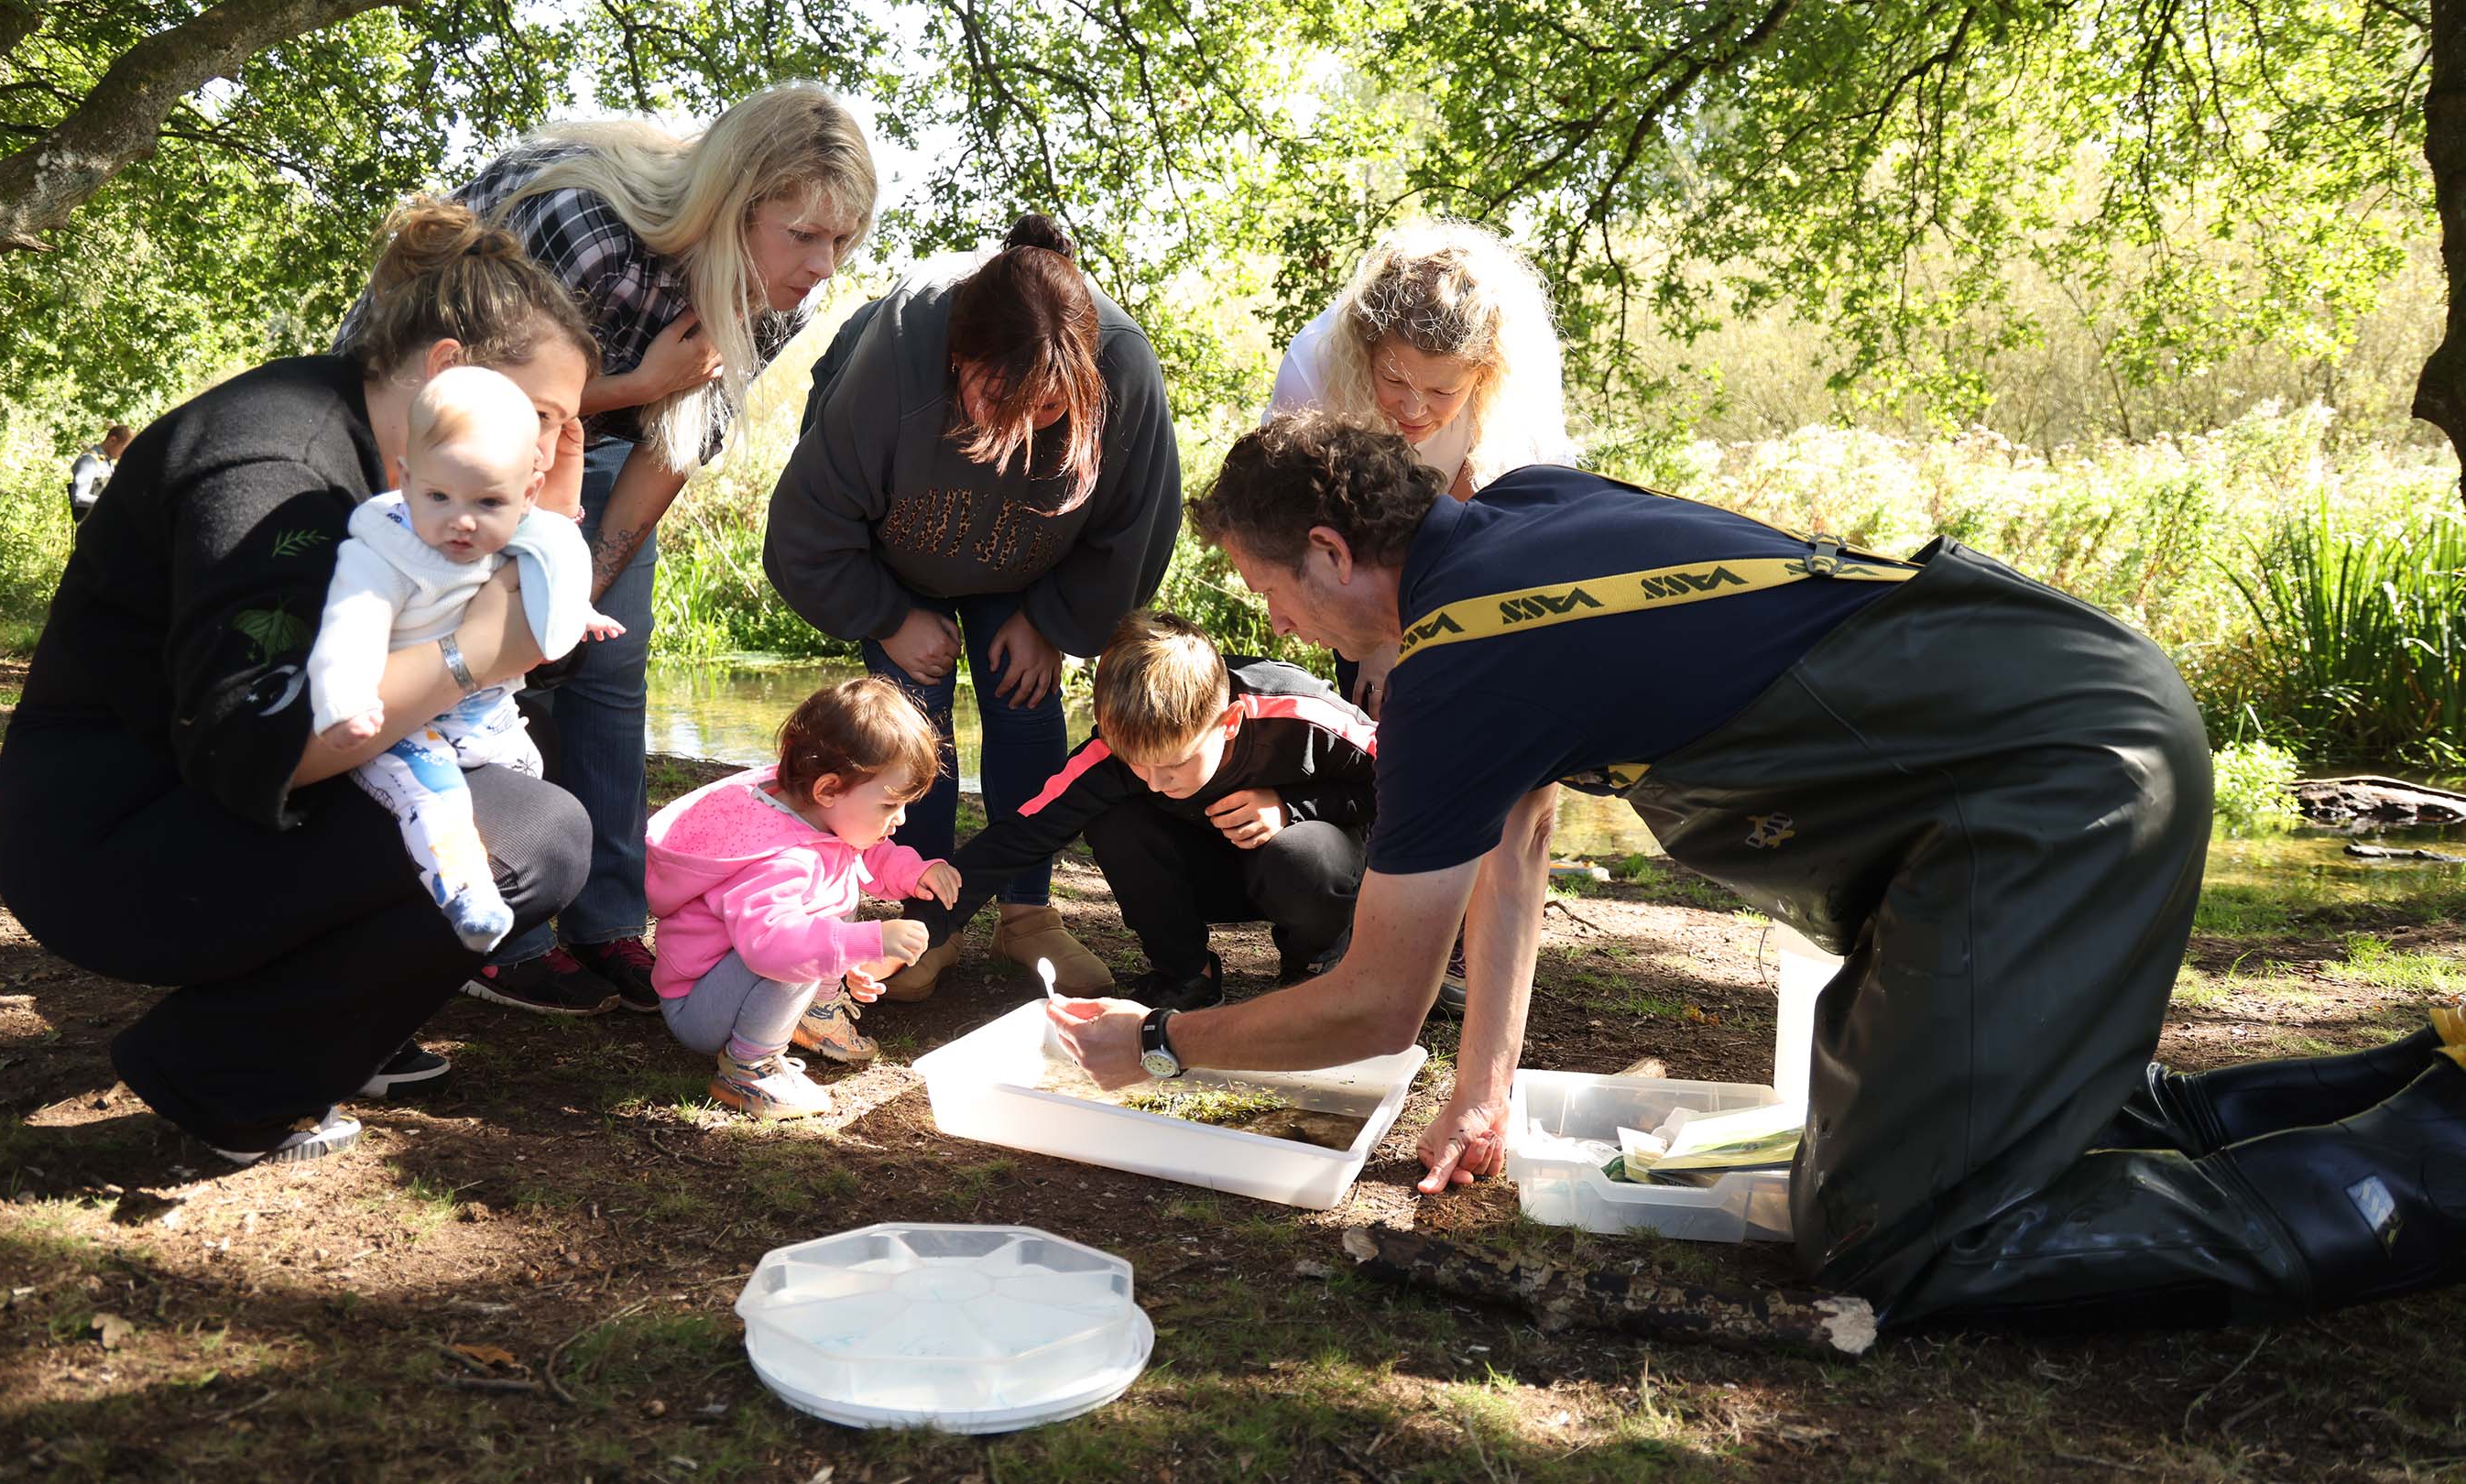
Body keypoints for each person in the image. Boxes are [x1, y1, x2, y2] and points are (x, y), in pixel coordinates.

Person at [1052, 412, 2466, 1330]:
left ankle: (2427, 1167)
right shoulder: (1518, 524)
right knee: (1971, 1116)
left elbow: (1368, 1006)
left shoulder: (1457, 660)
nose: (1278, 623)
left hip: (2047, 775)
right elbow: (1521, 836)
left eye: (1272, 591)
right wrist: (1483, 1085)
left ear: (1329, 549)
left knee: (1904, 1241)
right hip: (2059, 704)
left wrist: (1162, 1045)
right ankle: (2413, 1085)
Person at [0, 200, 600, 1164]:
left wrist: (548, 527)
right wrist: (472, 652)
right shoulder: (283, 472)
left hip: (185, 803)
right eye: (547, 422)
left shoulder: (403, 468)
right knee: (540, 834)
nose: (552, 451)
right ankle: (225, 1081)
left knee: (527, 752)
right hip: (102, 850)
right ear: (447, 373)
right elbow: (254, 744)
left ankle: (348, 1029)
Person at [338, 83, 879, 1018]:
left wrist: (582, 584)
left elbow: (676, 440)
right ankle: (507, 927)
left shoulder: (772, 292)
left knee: (607, 657)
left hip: (613, 429)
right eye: (803, 235)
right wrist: (636, 380)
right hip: (438, 438)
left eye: (842, 240)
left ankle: (608, 921)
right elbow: (472, 405)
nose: (823, 265)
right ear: (730, 204)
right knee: (473, 665)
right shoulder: (585, 227)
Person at [762, 213, 1184, 1001]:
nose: (1019, 431)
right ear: (957, 358)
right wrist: (888, 614)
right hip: (899, 566)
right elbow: (808, 524)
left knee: (1025, 709)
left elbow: (1137, 528)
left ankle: (1027, 913)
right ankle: (922, 917)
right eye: (996, 398)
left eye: (1050, 410)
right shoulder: (894, 352)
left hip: (1035, 571)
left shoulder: (1123, 368)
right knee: (908, 728)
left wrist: (1055, 623)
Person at [899, 610, 1376, 1010]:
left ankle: (1312, 960)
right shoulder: (1114, 748)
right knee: (1112, 816)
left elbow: (1411, 787)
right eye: (1137, 764)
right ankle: (1188, 972)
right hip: (1206, 877)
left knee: (1302, 854)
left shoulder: (1301, 714)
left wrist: (1293, 807)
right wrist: (918, 929)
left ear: (1228, 723)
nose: (1156, 781)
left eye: (1174, 764)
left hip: (1305, 870)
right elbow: (1019, 837)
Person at [305, 366, 623, 952]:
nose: (461, 521)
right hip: (402, 721)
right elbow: (350, 628)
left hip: (481, 712)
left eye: (487, 501)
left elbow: (548, 566)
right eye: (438, 497)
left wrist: (577, 611)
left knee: (535, 769)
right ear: (405, 480)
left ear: (525, 495)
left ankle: (497, 904)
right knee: (433, 797)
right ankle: (466, 892)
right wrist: (345, 700)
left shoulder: (516, 526)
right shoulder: (386, 551)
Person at [1267, 220, 1574, 716]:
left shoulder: (1522, 376)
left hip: (1478, 572)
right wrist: (1375, 643)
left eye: (1441, 392)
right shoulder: (1315, 363)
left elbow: (1509, 525)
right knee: (1377, 723)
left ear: (1485, 372)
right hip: (1356, 561)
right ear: (1365, 348)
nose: (1412, 409)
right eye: (1394, 378)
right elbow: (1304, 521)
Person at [645, 677, 962, 1117]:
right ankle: (747, 1069)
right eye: (889, 807)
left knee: (825, 919)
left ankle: (813, 1006)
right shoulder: (779, 860)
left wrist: (914, 873)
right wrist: (864, 943)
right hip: (700, 1007)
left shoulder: (813, 812)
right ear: (828, 789)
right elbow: (774, 946)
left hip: (730, 978)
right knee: (805, 939)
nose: (900, 819)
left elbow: (863, 850)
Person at [69, 423, 133, 525]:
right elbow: (79, 497)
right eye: (124, 448)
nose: (124, 453)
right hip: (91, 530)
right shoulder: (89, 460)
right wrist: (113, 502)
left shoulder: (108, 465)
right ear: (113, 440)